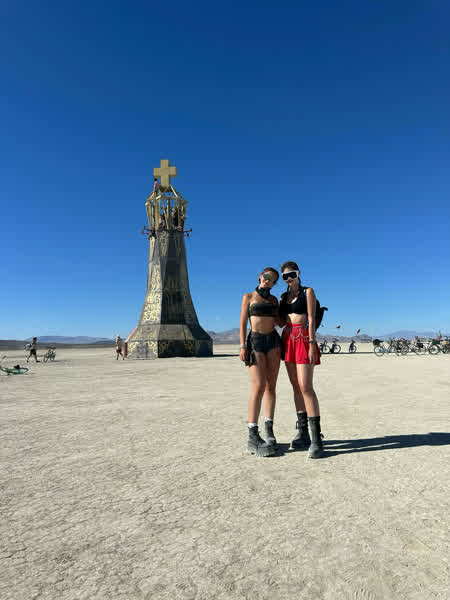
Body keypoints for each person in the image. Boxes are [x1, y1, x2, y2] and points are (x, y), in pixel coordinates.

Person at [279, 261, 324, 458]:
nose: (289, 278)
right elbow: (281, 321)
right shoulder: (283, 297)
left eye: (292, 274)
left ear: (298, 274)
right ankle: (303, 432)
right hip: (288, 338)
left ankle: (316, 439)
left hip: (304, 338)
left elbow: (311, 318)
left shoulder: (308, 292)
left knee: (306, 386)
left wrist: (312, 343)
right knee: (296, 387)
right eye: (285, 276)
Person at [239, 267, 282, 457]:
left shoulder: (274, 300)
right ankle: (252, 437)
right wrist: (242, 346)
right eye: (266, 277)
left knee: (271, 386)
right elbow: (242, 323)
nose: (268, 280)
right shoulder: (248, 297)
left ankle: (269, 431)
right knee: (258, 386)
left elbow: (280, 322)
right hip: (255, 341)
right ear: (260, 276)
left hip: (273, 342)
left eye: (272, 280)